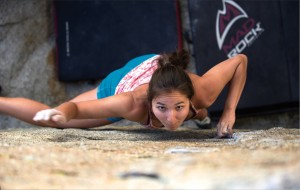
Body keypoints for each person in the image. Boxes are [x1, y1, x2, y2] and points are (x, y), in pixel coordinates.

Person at [0, 50, 247, 138]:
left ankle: (199, 114)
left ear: (189, 97)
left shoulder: (203, 90)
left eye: (179, 108)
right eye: (161, 109)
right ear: (149, 102)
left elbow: (240, 60)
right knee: (55, 123)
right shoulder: (129, 103)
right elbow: (76, 109)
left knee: (201, 109)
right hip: (124, 80)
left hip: (162, 69)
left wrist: (229, 111)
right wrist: (61, 114)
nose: (171, 119)